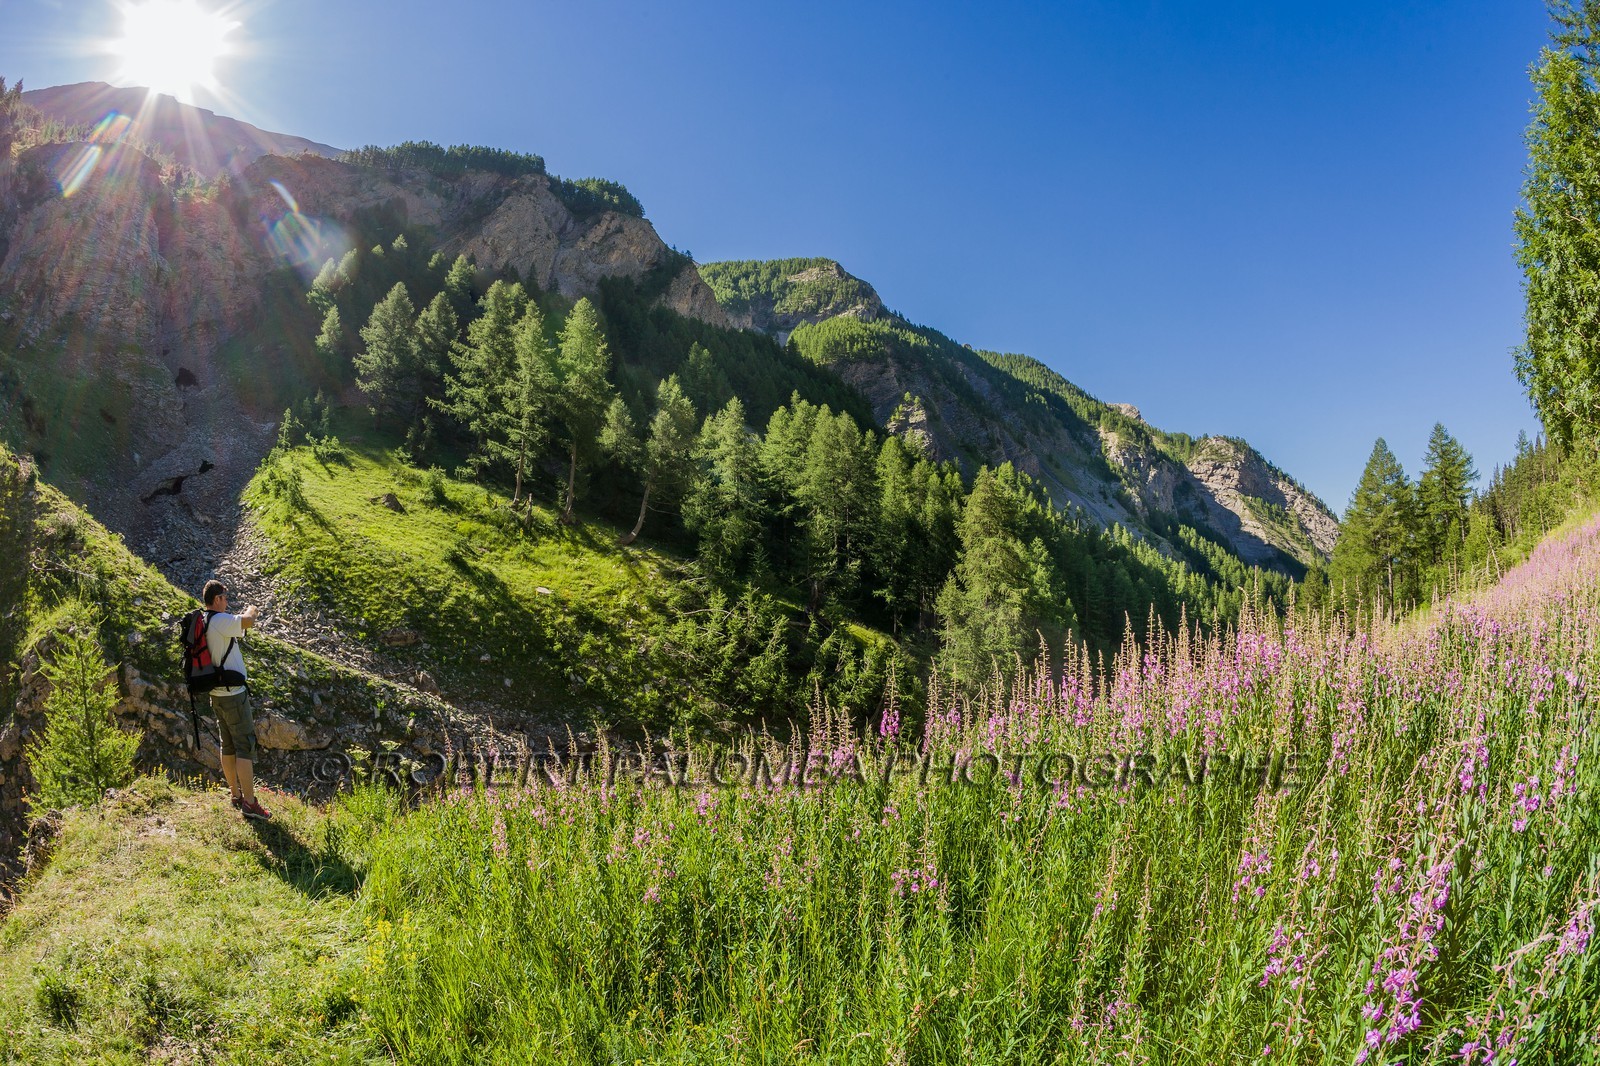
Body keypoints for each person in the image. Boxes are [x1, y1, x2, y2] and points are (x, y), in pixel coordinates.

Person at [200, 579, 271, 821]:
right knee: (244, 745)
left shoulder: (203, 621)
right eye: (225, 598)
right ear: (217, 599)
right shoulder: (219, 620)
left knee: (227, 744)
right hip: (233, 695)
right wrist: (253, 609)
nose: (227, 602)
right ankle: (250, 804)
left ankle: (235, 794)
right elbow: (248, 621)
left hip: (216, 693)